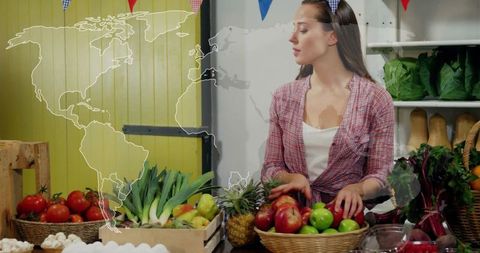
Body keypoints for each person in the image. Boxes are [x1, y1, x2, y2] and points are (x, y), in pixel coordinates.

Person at [261, 0, 395, 219]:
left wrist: (358, 189)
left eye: (303, 29)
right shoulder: (283, 97)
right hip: (292, 224)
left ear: (333, 36)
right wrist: (291, 178)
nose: (292, 37)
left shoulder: (376, 99)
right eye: (294, 28)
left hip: (347, 225)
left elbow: (381, 174)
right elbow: (270, 168)